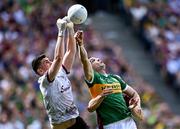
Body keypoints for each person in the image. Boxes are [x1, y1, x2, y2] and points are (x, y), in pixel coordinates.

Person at [75, 30, 144, 129]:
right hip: (110, 124)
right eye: (93, 60)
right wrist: (80, 45)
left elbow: (134, 94)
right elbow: (84, 61)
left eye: (97, 58)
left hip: (128, 121)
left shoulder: (116, 78)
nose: (97, 59)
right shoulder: (94, 79)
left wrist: (137, 107)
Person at [31, 18, 89, 129]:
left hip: (77, 122)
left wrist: (70, 29)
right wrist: (61, 31)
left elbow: (71, 51)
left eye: (49, 59)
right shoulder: (45, 81)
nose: (50, 61)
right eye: (46, 62)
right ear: (40, 71)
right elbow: (58, 57)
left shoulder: (60, 72)